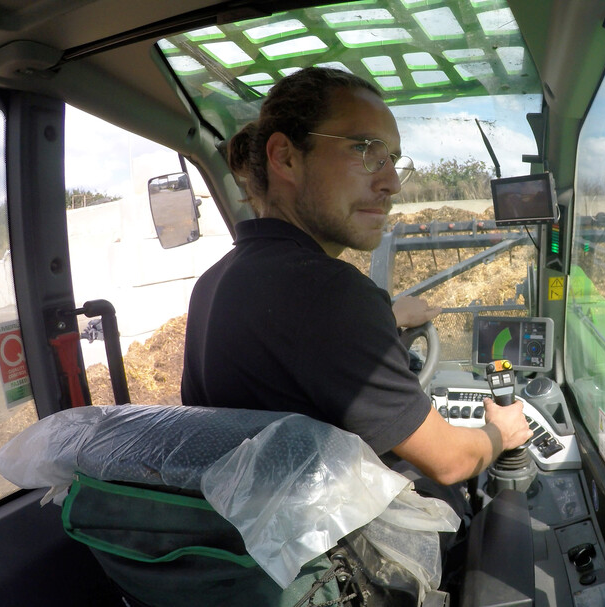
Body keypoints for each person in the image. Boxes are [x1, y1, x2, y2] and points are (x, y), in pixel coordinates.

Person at [181, 67, 532, 488]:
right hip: (337, 548)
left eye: (393, 161)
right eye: (366, 150)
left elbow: (302, 347)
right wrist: (501, 431)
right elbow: (451, 462)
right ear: (286, 157)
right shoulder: (332, 295)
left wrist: (389, 314)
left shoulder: (214, 283)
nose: (392, 183)